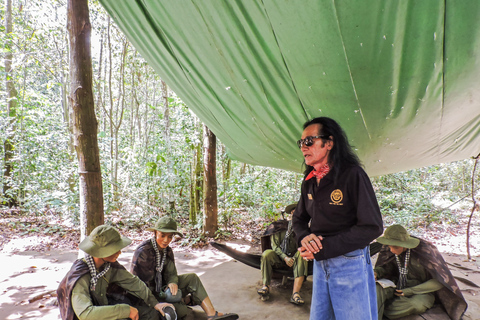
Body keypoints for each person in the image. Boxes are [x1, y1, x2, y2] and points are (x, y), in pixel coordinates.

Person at [292, 116, 384, 320]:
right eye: (301, 142)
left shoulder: (353, 175)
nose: (303, 147)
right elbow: (298, 219)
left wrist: (326, 248)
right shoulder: (309, 181)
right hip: (320, 263)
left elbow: (372, 227)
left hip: (349, 262)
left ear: (329, 143)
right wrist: (304, 238)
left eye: (309, 141)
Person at [57, 224, 175, 320]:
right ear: (102, 252)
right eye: (115, 249)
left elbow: (133, 282)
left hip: (104, 307)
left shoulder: (109, 266)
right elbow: (85, 314)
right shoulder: (81, 276)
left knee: (151, 314)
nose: (119, 252)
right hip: (92, 316)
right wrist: (124, 310)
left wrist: (155, 303)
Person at [131, 216, 239, 320]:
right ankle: (185, 301)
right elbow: (142, 288)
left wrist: (172, 282)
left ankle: (212, 314)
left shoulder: (167, 250)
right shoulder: (144, 252)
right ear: (155, 233)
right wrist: (160, 302)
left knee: (192, 278)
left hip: (162, 289)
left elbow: (171, 273)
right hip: (147, 297)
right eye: (162, 235)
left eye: (170, 236)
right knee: (183, 311)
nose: (166, 240)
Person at [374, 224, 467, 320]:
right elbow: (387, 268)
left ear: (405, 244)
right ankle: (375, 313)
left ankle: (380, 310)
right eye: (390, 246)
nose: (392, 250)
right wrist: (377, 272)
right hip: (396, 286)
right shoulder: (390, 250)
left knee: (416, 304)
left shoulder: (425, 252)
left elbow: (439, 282)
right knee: (376, 289)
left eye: (395, 247)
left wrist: (410, 291)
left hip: (421, 291)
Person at [257, 203, 308, 305]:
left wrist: (292, 258)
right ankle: (265, 286)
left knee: (302, 255)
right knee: (266, 254)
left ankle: (295, 294)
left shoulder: (304, 228)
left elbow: (305, 246)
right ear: (291, 214)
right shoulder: (279, 227)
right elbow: (274, 246)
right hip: (279, 258)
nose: (296, 215)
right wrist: (285, 258)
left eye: (298, 212)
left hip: (295, 260)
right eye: (294, 212)